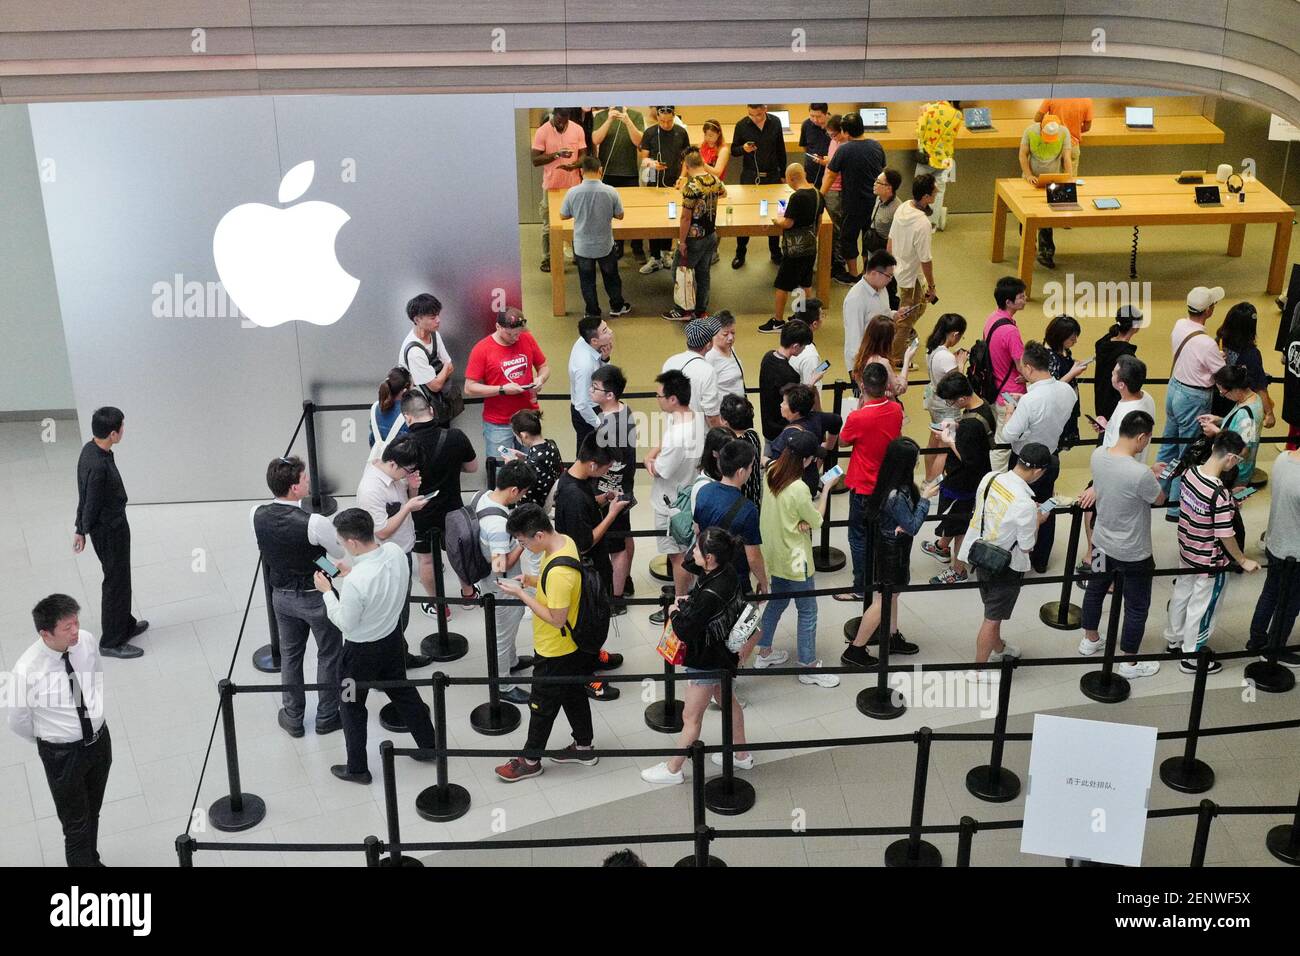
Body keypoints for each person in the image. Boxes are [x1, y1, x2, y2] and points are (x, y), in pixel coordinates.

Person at [317, 508, 438, 784]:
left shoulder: (357, 582)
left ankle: (357, 768)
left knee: (351, 705)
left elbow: (345, 623)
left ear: (352, 543)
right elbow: (379, 587)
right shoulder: (395, 552)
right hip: (392, 641)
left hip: (358, 655)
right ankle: (430, 745)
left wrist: (328, 594)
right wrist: (351, 573)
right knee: (403, 692)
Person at [640, 528, 758, 785]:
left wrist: (673, 610)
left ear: (710, 558)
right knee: (728, 701)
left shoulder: (710, 594)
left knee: (691, 717)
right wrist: (700, 543)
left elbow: (684, 629)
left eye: (697, 549)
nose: (691, 552)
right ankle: (741, 753)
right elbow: (689, 565)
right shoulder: (726, 572)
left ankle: (673, 768)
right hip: (724, 652)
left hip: (706, 658)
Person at [495, 505, 599, 782]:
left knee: (541, 706)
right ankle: (584, 747)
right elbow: (557, 590)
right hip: (572, 644)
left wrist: (521, 593)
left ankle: (530, 760)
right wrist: (531, 580)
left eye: (523, 541)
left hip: (556, 648)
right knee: (573, 694)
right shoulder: (565, 542)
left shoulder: (558, 573)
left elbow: (555, 618)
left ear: (539, 535)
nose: (523, 546)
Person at [9, 594, 113, 865]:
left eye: (76, 622)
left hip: (99, 741)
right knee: (76, 825)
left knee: (93, 810)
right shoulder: (26, 670)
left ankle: (92, 859)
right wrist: (53, 738)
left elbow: (95, 678)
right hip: (63, 755)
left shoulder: (86, 641)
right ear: (45, 633)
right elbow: (18, 720)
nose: (75, 631)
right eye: (67, 628)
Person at [252, 455, 348, 736]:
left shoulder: (256, 514)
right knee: (329, 654)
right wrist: (333, 569)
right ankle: (327, 715)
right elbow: (337, 552)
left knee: (291, 655)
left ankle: (293, 715)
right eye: (304, 479)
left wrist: (326, 565)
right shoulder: (314, 522)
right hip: (316, 596)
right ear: (294, 488)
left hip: (280, 597)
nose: (308, 482)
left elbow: (278, 552)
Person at [1074, 411, 1164, 679]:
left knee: (1094, 590)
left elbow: (1117, 477)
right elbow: (1157, 499)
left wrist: (1147, 472)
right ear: (1141, 437)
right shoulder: (1139, 474)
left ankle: (1090, 639)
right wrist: (1156, 476)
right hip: (1134, 553)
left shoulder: (1098, 455)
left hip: (1101, 543)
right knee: (1136, 606)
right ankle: (1129, 662)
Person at [1164, 431, 1259, 674]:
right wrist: (1242, 559)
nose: (1237, 464)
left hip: (1187, 549)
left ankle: (1174, 639)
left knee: (1182, 593)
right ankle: (1192, 656)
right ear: (1229, 458)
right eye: (1238, 459)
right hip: (1210, 560)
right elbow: (1225, 534)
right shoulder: (1220, 493)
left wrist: (1228, 505)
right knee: (1203, 605)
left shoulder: (1189, 473)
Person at [754, 431, 840, 686]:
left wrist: (800, 519)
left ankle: (764, 651)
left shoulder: (772, 472)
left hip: (774, 554)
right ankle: (808, 665)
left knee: (777, 603)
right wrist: (825, 491)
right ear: (806, 460)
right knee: (808, 611)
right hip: (796, 558)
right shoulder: (799, 488)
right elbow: (817, 520)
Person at [959, 443, 1053, 675]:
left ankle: (999, 647)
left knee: (993, 609)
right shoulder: (1025, 504)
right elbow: (1027, 545)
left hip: (980, 553)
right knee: (992, 617)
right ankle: (977, 670)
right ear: (1039, 472)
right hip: (1005, 565)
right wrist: (1037, 521)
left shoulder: (990, 478)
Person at [843, 438, 938, 665]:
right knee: (883, 599)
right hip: (892, 552)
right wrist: (925, 500)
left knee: (891, 595)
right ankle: (855, 650)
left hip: (890, 548)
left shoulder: (888, 484)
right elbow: (913, 525)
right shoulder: (897, 494)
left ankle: (891, 636)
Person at [553, 433, 628, 701]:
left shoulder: (576, 480)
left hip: (593, 567)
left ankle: (594, 655)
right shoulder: (572, 495)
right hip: (586, 570)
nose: (607, 471)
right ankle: (586, 675)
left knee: (596, 620)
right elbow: (584, 544)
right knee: (589, 622)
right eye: (606, 467)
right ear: (594, 465)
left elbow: (585, 508)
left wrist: (603, 499)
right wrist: (611, 515)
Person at [353, 437, 434, 669]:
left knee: (401, 611)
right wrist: (409, 507)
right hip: (387, 560)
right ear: (393, 464)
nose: (409, 472)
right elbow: (382, 532)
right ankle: (386, 667)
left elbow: (401, 502)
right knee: (392, 615)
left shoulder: (392, 474)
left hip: (401, 552)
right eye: (407, 470)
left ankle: (399, 655)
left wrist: (413, 488)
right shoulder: (371, 489)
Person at [73, 406, 147, 660]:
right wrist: (81, 529)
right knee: (114, 581)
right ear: (113, 434)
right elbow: (89, 500)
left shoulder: (91, 450)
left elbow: (82, 494)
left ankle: (124, 624)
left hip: (113, 525)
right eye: (122, 427)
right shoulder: (98, 466)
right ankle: (112, 641)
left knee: (121, 577)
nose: (124, 431)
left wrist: (79, 527)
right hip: (109, 530)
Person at [1003, 341, 1083, 573]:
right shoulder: (1067, 392)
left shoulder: (1030, 400)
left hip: (1023, 460)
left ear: (1028, 368)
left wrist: (1011, 412)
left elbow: (1009, 434)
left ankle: (1017, 558)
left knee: (1018, 505)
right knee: (1046, 505)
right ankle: (1041, 560)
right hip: (1051, 457)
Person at [401, 392, 479, 613]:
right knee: (458, 553)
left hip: (420, 512)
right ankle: (468, 594)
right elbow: (472, 467)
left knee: (426, 561)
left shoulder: (405, 445)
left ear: (407, 418)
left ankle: (439, 606)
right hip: (452, 507)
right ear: (432, 411)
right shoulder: (456, 436)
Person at [467, 460, 536, 707]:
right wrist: (521, 543)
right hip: (500, 587)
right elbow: (500, 566)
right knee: (501, 636)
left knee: (510, 627)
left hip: (492, 581)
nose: (524, 496)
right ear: (515, 490)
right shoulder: (497, 524)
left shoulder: (482, 496)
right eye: (524, 492)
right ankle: (503, 686)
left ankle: (513, 662)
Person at [1157, 286, 1228, 520]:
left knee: (1168, 445)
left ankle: (1158, 492)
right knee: (1188, 451)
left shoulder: (1179, 325)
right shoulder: (1207, 343)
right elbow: (1222, 373)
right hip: (1194, 397)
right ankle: (1176, 506)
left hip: (1174, 388)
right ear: (1208, 310)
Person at [838, 363, 903, 602]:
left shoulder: (858, 416)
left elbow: (844, 441)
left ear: (862, 385)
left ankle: (860, 586)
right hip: (888, 486)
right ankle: (879, 579)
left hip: (864, 487)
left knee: (858, 537)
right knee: (881, 536)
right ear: (886, 385)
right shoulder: (896, 410)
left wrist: (858, 409)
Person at [924, 371, 995, 586]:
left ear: (962, 398)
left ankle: (958, 569)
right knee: (956, 517)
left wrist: (948, 441)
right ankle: (942, 545)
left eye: (951, 400)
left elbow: (968, 459)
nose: (951, 404)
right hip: (976, 476)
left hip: (966, 482)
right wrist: (956, 428)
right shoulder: (983, 407)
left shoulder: (971, 425)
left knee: (960, 523)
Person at [646, 369, 705, 620]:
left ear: (672, 399)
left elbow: (660, 470)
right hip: (689, 493)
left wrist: (649, 459)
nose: (657, 399)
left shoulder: (677, 435)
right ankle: (689, 592)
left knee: (678, 555)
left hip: (670, 503)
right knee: (686, 549)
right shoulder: (694, 418)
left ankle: (680, 605)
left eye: (659, 395)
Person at [464, 307, 550, 456]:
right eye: (510, 334)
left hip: (527, 416)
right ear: (498, 327)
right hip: (498, 422)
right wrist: (502, 389)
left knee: (531, 465)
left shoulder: (526, 338)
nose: (516, 338)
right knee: (499, 469)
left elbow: (543, 367)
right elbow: (469, 387)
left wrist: (540, 379)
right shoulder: (482, 349)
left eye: (518, 333)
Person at [1247, 445, 1300, 665]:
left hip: (1275, 541)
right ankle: (1274, 648)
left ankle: (1256, 640)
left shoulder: (1282, 459)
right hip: (1295, 553)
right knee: (1289, 604)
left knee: (1269, 593)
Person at [693, 440, 768, 595]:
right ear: (741, 472)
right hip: (735, 580)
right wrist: (763, 582)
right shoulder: (748, 509)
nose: (752, 469)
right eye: (751, 466)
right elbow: (753, 557)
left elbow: (698, 529)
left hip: (708, 573)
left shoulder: (704, 491)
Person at [561, 156, 631, 319]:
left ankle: (592, 311)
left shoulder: (572, 192)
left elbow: (563, 215)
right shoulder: (611, 191)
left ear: (580, 171)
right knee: (611, 277)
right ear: (600, 171)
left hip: (582, 245)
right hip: (604, 245)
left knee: (587, 280)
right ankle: (617, 306)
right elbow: (620, 215)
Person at [591, 364, 638, 606]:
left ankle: (616, 597)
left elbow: (612, 462)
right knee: (625, 535)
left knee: (616, 546)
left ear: (609, 395)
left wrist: (604, 495)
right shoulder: (624, 410)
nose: (591, 392)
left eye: (595, 388)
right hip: (624, 488)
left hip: (611, 493)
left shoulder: (608, 425)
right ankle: (625, 580)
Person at [822, 112, 886, 279]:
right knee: (869, 237)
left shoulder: (844, 149)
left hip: (853, 202)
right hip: (874, 201)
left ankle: (852, 273)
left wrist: (820, 195)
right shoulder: (876, 145)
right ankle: (867, 272)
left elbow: (830, 175)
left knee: (848, 237)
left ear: (846, 132)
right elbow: (883, 171)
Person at [664, 150, 726, 320]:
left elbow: (685, 217)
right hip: (710, 234)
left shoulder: (691, 187)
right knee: (703, 273)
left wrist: (681, 241)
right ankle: (700, 310)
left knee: (680, 270)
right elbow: (723, 192)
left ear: (687, 165)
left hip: (694, 237)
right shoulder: (714, 180)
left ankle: (683, 310)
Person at [762, 164, 824, 334]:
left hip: (794, 249)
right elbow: (818, 221)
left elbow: (788, 223)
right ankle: (804, 318)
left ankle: (778, 321)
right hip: (810, 246)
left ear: (791, 178)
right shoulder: (818, 194)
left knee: (782, 284)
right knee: (805, 282)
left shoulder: (797, 197)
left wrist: (776, 221)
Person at [885, 173, 939, 365]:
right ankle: (895, 357)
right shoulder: (922, 223)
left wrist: (888, 266)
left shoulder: (903, 207)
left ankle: (899, 333)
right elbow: (926, 260)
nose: (937, 193)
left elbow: (890, 240)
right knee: (906, 318)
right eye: (934, 191)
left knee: (919, 306)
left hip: (900, 269)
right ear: (926, 197)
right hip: (909, 275)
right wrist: (932, 286)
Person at [729, 104, 787, 268]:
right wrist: (743, 149)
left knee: (774, 214)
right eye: (751, 115)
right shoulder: (741, 125)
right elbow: (734, 150)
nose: (755, 118)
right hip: (750, 176)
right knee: (745, 216)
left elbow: (780, 149)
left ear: (765, 109)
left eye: (759, 115)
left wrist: (783, 174)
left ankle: (775, 252)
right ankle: (740, 253)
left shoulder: (775, 122)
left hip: (772, 175)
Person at [984, 276, 1030, 473]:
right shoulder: (1011, 331)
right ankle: (997, 483)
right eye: (1021, 296)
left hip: (996, 388)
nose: (1025, 299)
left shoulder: (992, 319)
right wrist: (1028, 376)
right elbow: (1022, 366)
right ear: (1008, 302)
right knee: (1002, 445)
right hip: (1011, 395)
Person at [638, 106, 692, 271]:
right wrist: (653, 164)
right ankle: (654, 257)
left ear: (674, 116)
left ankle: (666, 253)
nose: (666, 124)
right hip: (654, 182)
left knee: (671, 216)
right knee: (654, 219)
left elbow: (686, 158)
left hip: (673, 182)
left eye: (669, 121)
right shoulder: (650, 133)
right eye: (662, 121)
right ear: (658, 117)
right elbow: (643, 158)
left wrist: (682, 177)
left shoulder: (681, 133)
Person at [532, 107, 586, 273]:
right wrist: (556, 155)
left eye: (565, 121)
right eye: (558, 121)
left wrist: (575, 165)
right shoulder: (543, 131)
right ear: (553, 116)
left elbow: (584, 154)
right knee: (549, 224)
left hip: (573, 185)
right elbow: (535, 160)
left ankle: (579, 255)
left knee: (577, 222)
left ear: (569, 117)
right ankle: (548, 258)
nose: (561, 124)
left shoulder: (577, 129)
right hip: (552, 186)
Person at [1017, 113, 1074, 268]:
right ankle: (1028, 246)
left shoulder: (1064, 132)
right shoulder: (1030, 131)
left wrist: (1069, 178)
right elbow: (1023, 154)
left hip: (1052, 179)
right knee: (1026, 217)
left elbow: (1067, 158)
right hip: (1031, 179)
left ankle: (1046, 253)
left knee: (1047, 219)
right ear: (1041, 127)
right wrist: (1028, 175)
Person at [591, 106, 646, 263]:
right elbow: (596, 140)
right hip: (607, 173)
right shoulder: (601, 116)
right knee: (609, 212)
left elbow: (639, 141)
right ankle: (616, 245)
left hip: (629, 172)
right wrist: (609, 120)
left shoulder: (635, 115)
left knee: (633, 213)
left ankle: (637, 247)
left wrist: (627, 121)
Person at [767, 383, 842, 494]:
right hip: (811, 480)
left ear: (796, 410)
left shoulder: (788, 435)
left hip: (792, 487)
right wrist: (828, 445)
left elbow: (774, 463)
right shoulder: (817, 418)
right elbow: (836, 420)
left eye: (784, 402)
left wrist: (765, 459)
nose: (781, 405)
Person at [1212, 301, 1276, 427]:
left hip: (1217, 397)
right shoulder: (1251, 354)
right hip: (1237, 403)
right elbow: (1259, 386)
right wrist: (1269, 413)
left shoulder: (1219, 341)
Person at [923, 313, 969, 481]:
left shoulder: (931, 349)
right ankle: (934, 484)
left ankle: (928, 479)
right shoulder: (947, 357)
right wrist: (961, 364)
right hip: (947, 406)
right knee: (943, 448)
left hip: (934, 402)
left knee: (932, 445)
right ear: (955, 334)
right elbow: (957, 384)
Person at [842, 250, 902, 378]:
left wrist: (894, 315)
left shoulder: (882, 288)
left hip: (880, 355)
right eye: (888, 276)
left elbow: (883, 313)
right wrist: (861, 370)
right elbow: (854, 340)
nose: (890, 280)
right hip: (863, 364)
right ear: (874, 273)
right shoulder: (855, 299)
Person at [1200, 364, 1264, 481]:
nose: (1222, 395)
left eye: (1223, 393)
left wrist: (1216, 432)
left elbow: (1243, 450)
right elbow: (1236, 425)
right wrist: (1218, 419)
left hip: (1235, 472)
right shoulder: (1250, 398)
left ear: (1236, 389)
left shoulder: (1247, 416)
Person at [398, 293, 455, 417]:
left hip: (438, 406)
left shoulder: (434, 334)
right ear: (417, 320)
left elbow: (451, 366)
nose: (438, 320)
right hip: (419, 413)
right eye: (432, 317)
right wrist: (444, 368)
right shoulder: (414, 350)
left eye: (438, 315)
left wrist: (440, 373)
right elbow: (435, 386)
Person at [662, 317, 723, 427]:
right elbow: (712, 417)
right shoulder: (707, 371)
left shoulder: (670, 362)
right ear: (709, 345)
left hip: (672, 433)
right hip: (698, 438)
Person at [758, 319, 812, 441]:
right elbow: (797, 405)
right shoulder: (790, 375)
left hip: (767, 427)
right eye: (803, 346)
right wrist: (811, 382)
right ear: (796, 346)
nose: (803, 349)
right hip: (782, 433)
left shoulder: (767, 357)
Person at [914, 98, 964, 230]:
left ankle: (918, 219)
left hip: (927, 156)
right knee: (939, 190)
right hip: (944, 159)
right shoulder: (958, 115)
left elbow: (919, 132)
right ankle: (932, 224)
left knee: (920, 188)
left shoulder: (928, 109)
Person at [1097, 355, 1157, 458]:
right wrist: (1108, 427)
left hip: (1117, 470)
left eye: (1113, 373)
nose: (1111, 374)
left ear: (1121, 385)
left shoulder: (1127, 415)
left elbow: (1117, 453)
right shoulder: (1147, 398)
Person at [815, 114, 852, 283]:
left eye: (834, 135)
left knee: (837, 231)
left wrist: (820, 194)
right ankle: (828, 264)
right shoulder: (834, 142)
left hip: (837, 191)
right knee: (829, 229)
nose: (832, 138)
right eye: (829, 135)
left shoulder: (847, 146)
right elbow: (832, 165)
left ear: (843, 132)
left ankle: (838, 267)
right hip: (829, 188)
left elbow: (835, 172)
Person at [568, 315, 614, 447]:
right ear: (594, 341)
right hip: (587, 413)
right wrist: (599, 426)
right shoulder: (585, 366)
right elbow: (581, 405)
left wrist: (605, 359)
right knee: (586, 457)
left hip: (596, 404)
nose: (610, 331)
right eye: (605, 331)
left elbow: (602, 376)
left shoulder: (585, 341)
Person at [1093, 305, 1144, 421]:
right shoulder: (1127, 355)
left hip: (1101, 402)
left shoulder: (1102, 343)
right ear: (1136, 327)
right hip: (1117, 407)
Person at [507, 408, 563, 511]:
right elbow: (541, 462)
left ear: (523, 435)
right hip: (550, 497)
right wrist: (524, 457)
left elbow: (518, 488)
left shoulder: (532, 464)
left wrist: (511, 465)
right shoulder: (551, 444)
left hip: (533, 508)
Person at [1044, 314, 1085, 448]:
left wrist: (1074, 365)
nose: (1075, 342)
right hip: (1057, 407)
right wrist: (1073, 372)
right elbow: (1052, 386)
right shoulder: (1049, 356)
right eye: (1072, 338)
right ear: (1060, 337)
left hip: (1068, 404)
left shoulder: (1064, 351)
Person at [851, 314, 914, 400]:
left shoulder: (861, 357)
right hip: (882, 408)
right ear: (887, 340)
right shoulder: (882, 363)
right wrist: (906, 360)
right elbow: (899, 388)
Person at [720, 394, 764, 508]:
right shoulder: (753, 435)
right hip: (754, 496)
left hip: (736, 503)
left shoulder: (729, 448)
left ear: (724, 421)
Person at [867, 169, 904, 307]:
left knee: (888, 287)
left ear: (889, 188)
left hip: (886, 251)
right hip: (873, 247)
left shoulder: (897, 209)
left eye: (879, 182)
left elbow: (897, 237)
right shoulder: (878, 198)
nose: (874, 184)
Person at [788, 299, 829, 407]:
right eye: (822, 315)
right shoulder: (810, 355)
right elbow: (810, 390)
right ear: (814, 324)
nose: (823, 318)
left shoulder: (790, 339)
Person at [1035, 97, 1092, 172]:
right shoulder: (1087, 100)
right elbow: (1087, 127)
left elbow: (1037, 118)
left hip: (1052, 143)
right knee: (1069, 179)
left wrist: (1050, 124)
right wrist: (1074, 129)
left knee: (1051, 178)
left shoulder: (1052, 96)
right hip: (1072, 144)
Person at [369, 367, 412, 454]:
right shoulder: (409, 413)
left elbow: (372, 441)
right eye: (413, 386)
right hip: (402, 463)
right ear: (405, 390)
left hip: (381, 464)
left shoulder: (376, 408)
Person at [706, 310, 746, 398]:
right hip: (723, 409)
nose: (731, 338)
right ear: (713, 334)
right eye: (725, 334)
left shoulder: (731, 349)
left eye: (733, 333)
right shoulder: (709, 357)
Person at [799, 102, 831, 188]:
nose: (815, 120)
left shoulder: (834, 125)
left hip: (830, 170)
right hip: (811, 170)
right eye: (812, 116)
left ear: (826, 113)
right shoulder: (806, 124)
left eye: (818, 116)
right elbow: (805, 146)